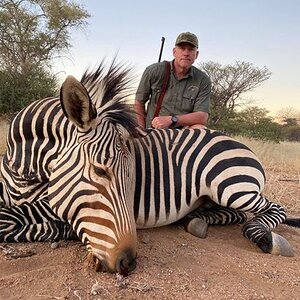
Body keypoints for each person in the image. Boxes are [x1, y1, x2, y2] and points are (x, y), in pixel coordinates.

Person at [134, 32, 211, 129]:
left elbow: (202, 116)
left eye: (191, 49)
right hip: (154, 131)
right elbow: (139, 103)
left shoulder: (203, 80)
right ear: (174, 52)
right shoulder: (153, 71)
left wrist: (173, 120)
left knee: (200, 128)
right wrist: (141, 130)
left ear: (196, 54)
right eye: (182, 48)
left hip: (183, 135)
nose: (186, 53)